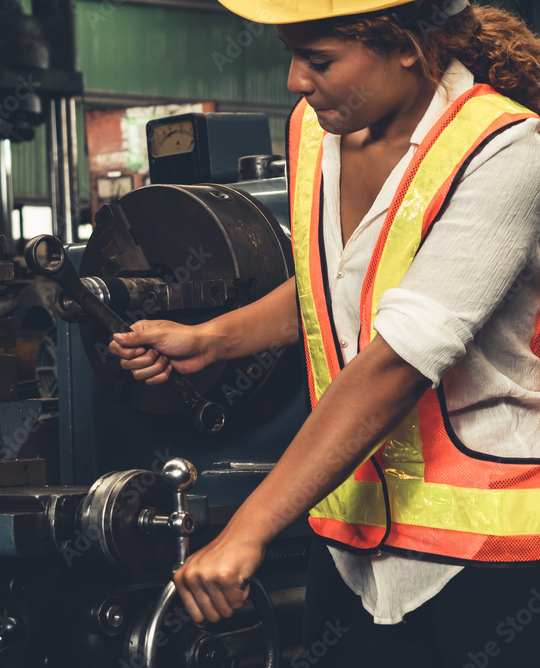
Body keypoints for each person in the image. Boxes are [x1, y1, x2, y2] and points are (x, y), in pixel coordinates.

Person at [109, 0, 540, 664]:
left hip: (487, 555)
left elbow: (401, 357)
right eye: (292, 54)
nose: (295, 82)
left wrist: (248, 528)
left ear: (406, 46)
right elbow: (334, 281)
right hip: (351, 539)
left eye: (319, 60)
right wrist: (215, 339)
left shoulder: (507, 151)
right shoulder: (316, 131)